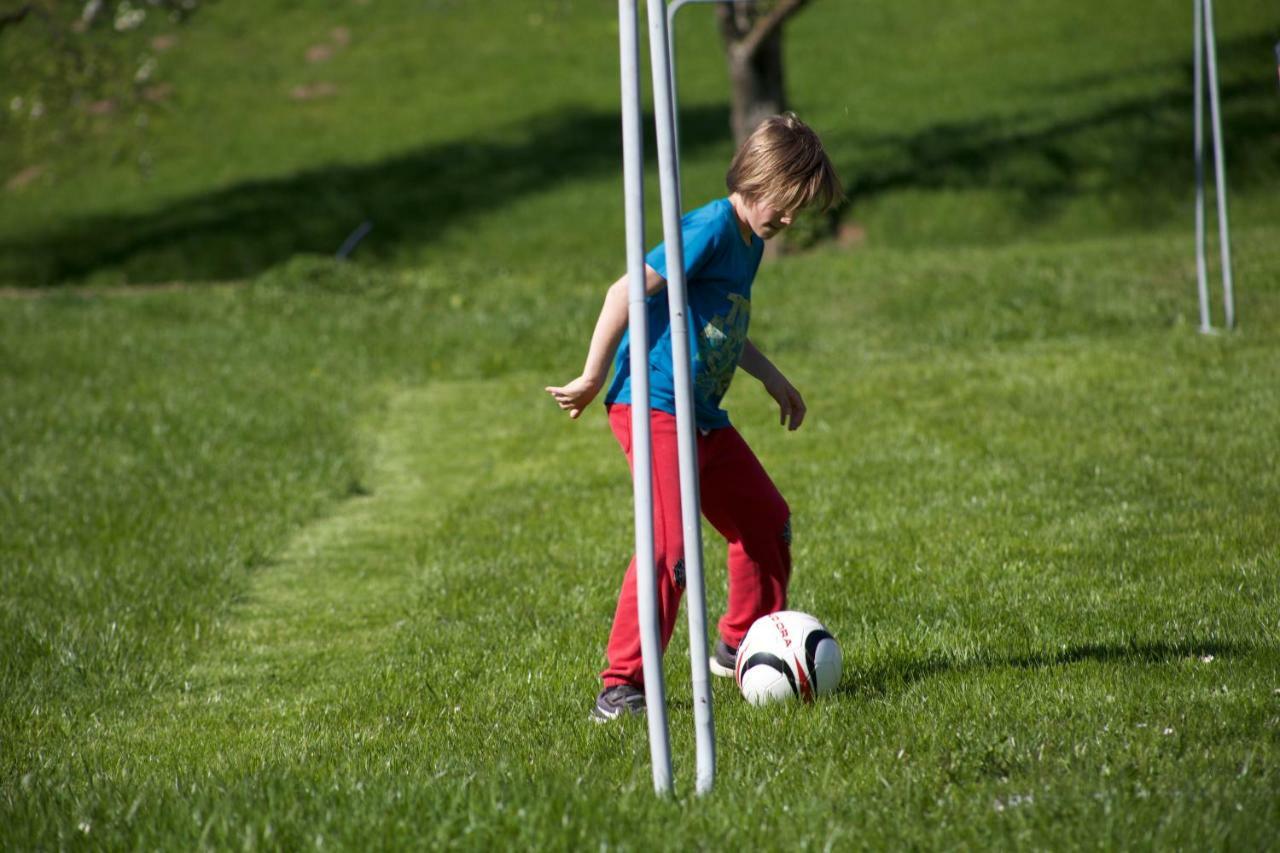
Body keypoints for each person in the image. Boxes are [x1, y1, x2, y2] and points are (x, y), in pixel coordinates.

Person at [545, 113, 844, 721]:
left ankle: (742, 645)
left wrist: (770, 376)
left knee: (766, 522)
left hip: (702, 413)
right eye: (786, 206)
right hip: (650, 405)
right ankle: (621, 685)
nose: (789, 222)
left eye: (798, 212)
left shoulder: (751, 243)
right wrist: (593, 374)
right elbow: (623, 291)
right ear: (759, 179)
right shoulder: (711, 227)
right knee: (669, 547)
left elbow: (722, 322)